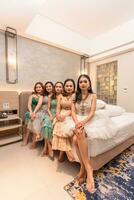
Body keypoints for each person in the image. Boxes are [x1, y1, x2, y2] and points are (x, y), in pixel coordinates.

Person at [71, 74, 96, 193]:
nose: (83, 83)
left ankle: (84, 169)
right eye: (80, 82)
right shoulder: (74, 96)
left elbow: (92, 113)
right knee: (77, 135)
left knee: (76, 139)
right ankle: (88, 168)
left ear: (89, 84)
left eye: (85, 81)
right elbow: (72, 111)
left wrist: (83, 122)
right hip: (76, 120)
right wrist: (77, 123)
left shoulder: (93, 96)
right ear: (78, 84)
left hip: (88, 120)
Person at [52, 79, 75, 162]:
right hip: (61, 113)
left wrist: (65, 115)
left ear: (73, 87)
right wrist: (57, 115)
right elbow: (58, 107)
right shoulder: (60, 96)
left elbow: (74, 109)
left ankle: (63, 153)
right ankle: (66, 152)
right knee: (58, 126)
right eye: (67, 86)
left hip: (70, 114)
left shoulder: (75, 96)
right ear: (64, 87)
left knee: (63, 128)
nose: (68, 87)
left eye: (70, 86)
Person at [41, 82, 63, 159]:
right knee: (46, 123)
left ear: (62, 88)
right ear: (55, 87)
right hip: (50, 114)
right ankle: (49, 147)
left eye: (60, 87)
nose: (58, 88)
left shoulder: (63, 97)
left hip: (58, 114)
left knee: (50, 125)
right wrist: (50, 116)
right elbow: (48, 108)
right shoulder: (51, 96)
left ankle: (45, 147)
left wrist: (57, 116)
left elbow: (62, 108)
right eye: (56, 86)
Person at [22, 82, 44, 147]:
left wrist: (34, 112)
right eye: (37, 87)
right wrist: (31, 112)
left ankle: (29, 140)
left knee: (34, 119)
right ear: (35, 88)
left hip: (39, 111)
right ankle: (28, 140)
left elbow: (39, 105)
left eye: (39, 87)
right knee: (31, 118)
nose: (38, 88)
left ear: (42, 88)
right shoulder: (32, 96)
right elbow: (29, 104)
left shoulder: (42, 96)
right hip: (31, 111)